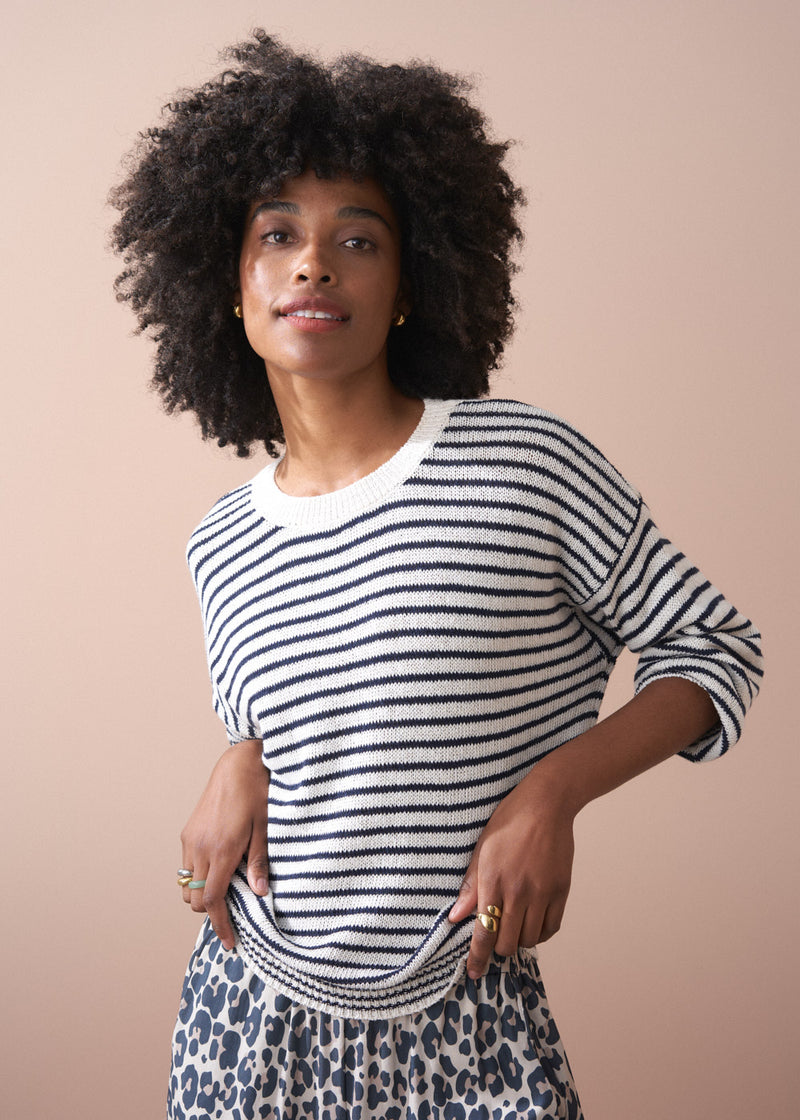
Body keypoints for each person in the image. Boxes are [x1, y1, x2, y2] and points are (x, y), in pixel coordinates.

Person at [111, 31, 763, 1120]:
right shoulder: (220, 541)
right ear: (226, 284)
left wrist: (551, 793)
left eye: (357, 239)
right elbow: (296, 730)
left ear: (411, 282)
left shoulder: (524, 462)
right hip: (247, 1019)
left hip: (468, 1019)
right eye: (277, 236)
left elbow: (715, 650)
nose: (313, 263)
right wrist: (236, 754)